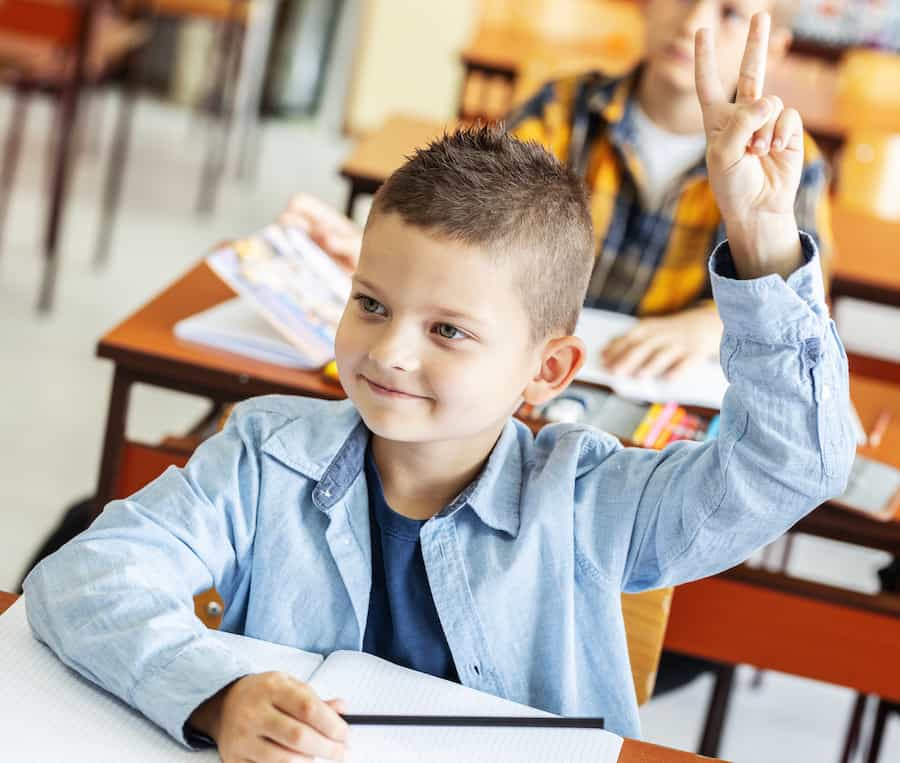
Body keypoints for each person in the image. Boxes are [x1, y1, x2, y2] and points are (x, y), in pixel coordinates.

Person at [25, 14, 853, 763]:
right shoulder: (261, 453)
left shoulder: (588, 501)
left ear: (549, 370)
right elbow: (84, 577)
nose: (391, 352)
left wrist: (762, 237)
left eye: (448, 330)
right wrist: (217, 693)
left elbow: (795, 463)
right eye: (372, 304)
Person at [283, 0, 833, 381]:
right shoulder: (561, 109)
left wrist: (706, 324)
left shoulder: (783, 162)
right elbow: (467, 221)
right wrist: (377, 251)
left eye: (729, 12)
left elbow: (803, 304)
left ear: (776, 48)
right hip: (517, 359)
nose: (692, 22)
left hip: (661, 384)